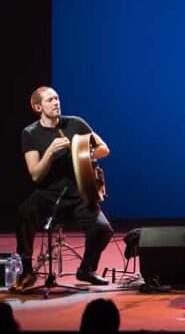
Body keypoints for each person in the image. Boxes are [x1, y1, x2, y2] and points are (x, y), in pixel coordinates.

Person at [11, 87, 113, 292]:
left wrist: (80, 152)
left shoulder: (75, 123)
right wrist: (50, 152)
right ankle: (27, 271)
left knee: (103, 229)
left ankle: (86, 269)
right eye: (50, 100)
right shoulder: (30, 133)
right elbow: (35, 175)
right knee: (24, 212)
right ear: (38, 107)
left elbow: (104, 148)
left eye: (57, 98)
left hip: (78, 193)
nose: (56, 102)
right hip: (48, 194)